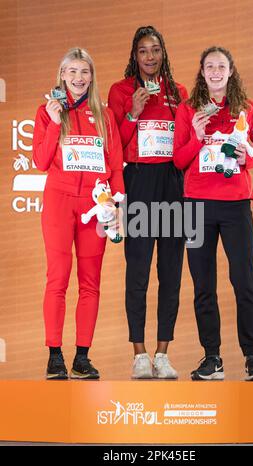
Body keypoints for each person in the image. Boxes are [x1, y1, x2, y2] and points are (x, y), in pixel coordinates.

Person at [173, 46, 253, 382]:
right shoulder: (189, 110)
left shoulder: (248, 109)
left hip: (236, 204)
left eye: (221, 66)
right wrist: (198, 137)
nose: (215, 71)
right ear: (202, 72)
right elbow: (178, 160)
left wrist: (248, 159)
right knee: (203, 284)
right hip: (196, 204)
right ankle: (212, 356)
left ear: (231, 71)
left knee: (244, 279)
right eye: (209, 66)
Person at [33, 47, 125, 380]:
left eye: (84, 72)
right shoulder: (47, 112)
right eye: (72, 71)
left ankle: (82, 357)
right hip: (59, 202)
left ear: (91, 76)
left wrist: (115, 205)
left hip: (94, 206)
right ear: (62, 75)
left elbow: (115, 166)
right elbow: (40, 162)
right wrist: (56, 122)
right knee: (57, 278)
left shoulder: (105, 114)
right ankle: (54, 355)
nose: (78, 78)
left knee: (91, 283)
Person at [108, 26, 188, 379]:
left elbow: (185, 145)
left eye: (155, 49)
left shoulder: (179, 92)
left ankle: (163, 352)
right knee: (138, 270)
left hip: (172, 183)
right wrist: (132, 112)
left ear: (163, 53)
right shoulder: (121, 90)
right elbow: (115, 144)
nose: (150, 57)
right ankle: (139, 353)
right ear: (135, 55)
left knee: (170, 271)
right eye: (143, 51)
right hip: (138, 180)